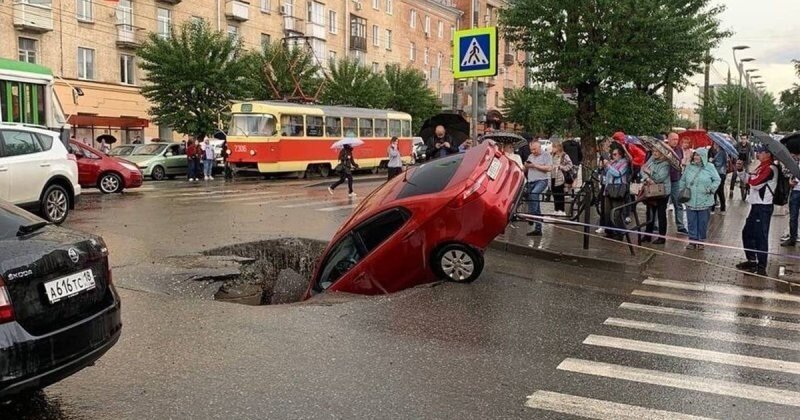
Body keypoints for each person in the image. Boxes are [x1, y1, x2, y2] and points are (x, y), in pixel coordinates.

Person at [736, 144, 778, 276]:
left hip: (763, 207)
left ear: (767, 154)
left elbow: (755, 183)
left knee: (761, 236)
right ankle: (752, 260)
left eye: (760, 152)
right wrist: (741, 170)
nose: (757, 154)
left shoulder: (770, 168)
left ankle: (761, 266)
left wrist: (751, 177)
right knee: (747, 233)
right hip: (755, 206)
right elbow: (749, 179)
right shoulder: (762, 166)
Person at [680, 148, 720, 250]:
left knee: (703, 222)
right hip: (690, 199)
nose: (696, 157)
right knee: (691, 221)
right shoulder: (689, 167)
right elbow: (683, 180)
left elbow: (717, 179)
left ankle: (701, 240)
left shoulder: (710, 167)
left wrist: (711, 189)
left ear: (703, 156)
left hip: (705, 199)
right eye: (695, 155)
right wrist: (681, 191)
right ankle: (692, 241)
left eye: (699, 155)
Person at [640, 149, 671, 244]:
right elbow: (642, 170)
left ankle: (662, 237)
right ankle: (648, 235)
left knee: (661, 214)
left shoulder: (666, 164)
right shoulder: (652, 160)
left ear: (662, 153)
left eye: (657, 152)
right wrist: (648, 179)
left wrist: (649, 172)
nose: (654, 153)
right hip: (650, 190)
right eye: (653, 152)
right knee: (649, 213)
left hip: (662, 192)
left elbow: (660, 177)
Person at [524, 139, 553, 236]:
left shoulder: (546, 155)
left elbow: (549, 168)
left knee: (534, 194)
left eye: (535, 149)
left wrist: (535, 165)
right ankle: (538, 228)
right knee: (533, 200)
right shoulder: (530, 156)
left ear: (539, 147)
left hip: (541, 180)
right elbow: (525, 168)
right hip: (531, 181)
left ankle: (531, 216)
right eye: (531, 150)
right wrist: (526, 165)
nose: (533, 152)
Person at [601, 145, 630, 239]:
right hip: (608, 189)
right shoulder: (613, 163)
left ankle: (620, 232)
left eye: (615, 154)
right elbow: (607, 174)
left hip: (618, 189)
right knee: (607, 212)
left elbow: (618, 173)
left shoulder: (625, 162)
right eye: (612, 154)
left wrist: (608, 166)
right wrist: (605, 165)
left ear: (620, 155)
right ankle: (610, 231)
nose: (613, 156)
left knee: (616, 213)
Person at [666, 133, 688, 234]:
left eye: (677, 139)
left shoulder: (679, 149)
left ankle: (680, 226)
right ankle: (657, 225)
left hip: (676, 179)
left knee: (678, 203)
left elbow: (680, 161)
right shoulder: (664, 148)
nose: (675, 141)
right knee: (661, 203)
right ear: (668, 139)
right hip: (665, 179)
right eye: (673, 139)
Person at [549, 141, 573, 216]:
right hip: (553, 175)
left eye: (554, 147)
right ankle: (556, 209)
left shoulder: (564, 155)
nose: (552, 148)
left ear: (558, 148)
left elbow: (570, 165)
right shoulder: (552, 155)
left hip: (560, 176)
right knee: (554, 192)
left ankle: (561, 210)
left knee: (560, 193)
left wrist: (562, 167)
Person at [782, 152, 800, 247]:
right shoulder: (795, 162)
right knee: (793, 216)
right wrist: (790, 180)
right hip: (795, 191)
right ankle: (793, 238)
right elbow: (786, 173)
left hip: (797, 191)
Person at [710, 143, 728, 214]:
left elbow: (719, 163)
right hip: (721, 173)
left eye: (715, 144)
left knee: (716, 190)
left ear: (718, 145)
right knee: (720, 191)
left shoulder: (721, 152)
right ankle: (722, 208)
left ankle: (713, 208)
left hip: (719, 173)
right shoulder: (721, 152)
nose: (713, 145)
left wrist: (712, 161)